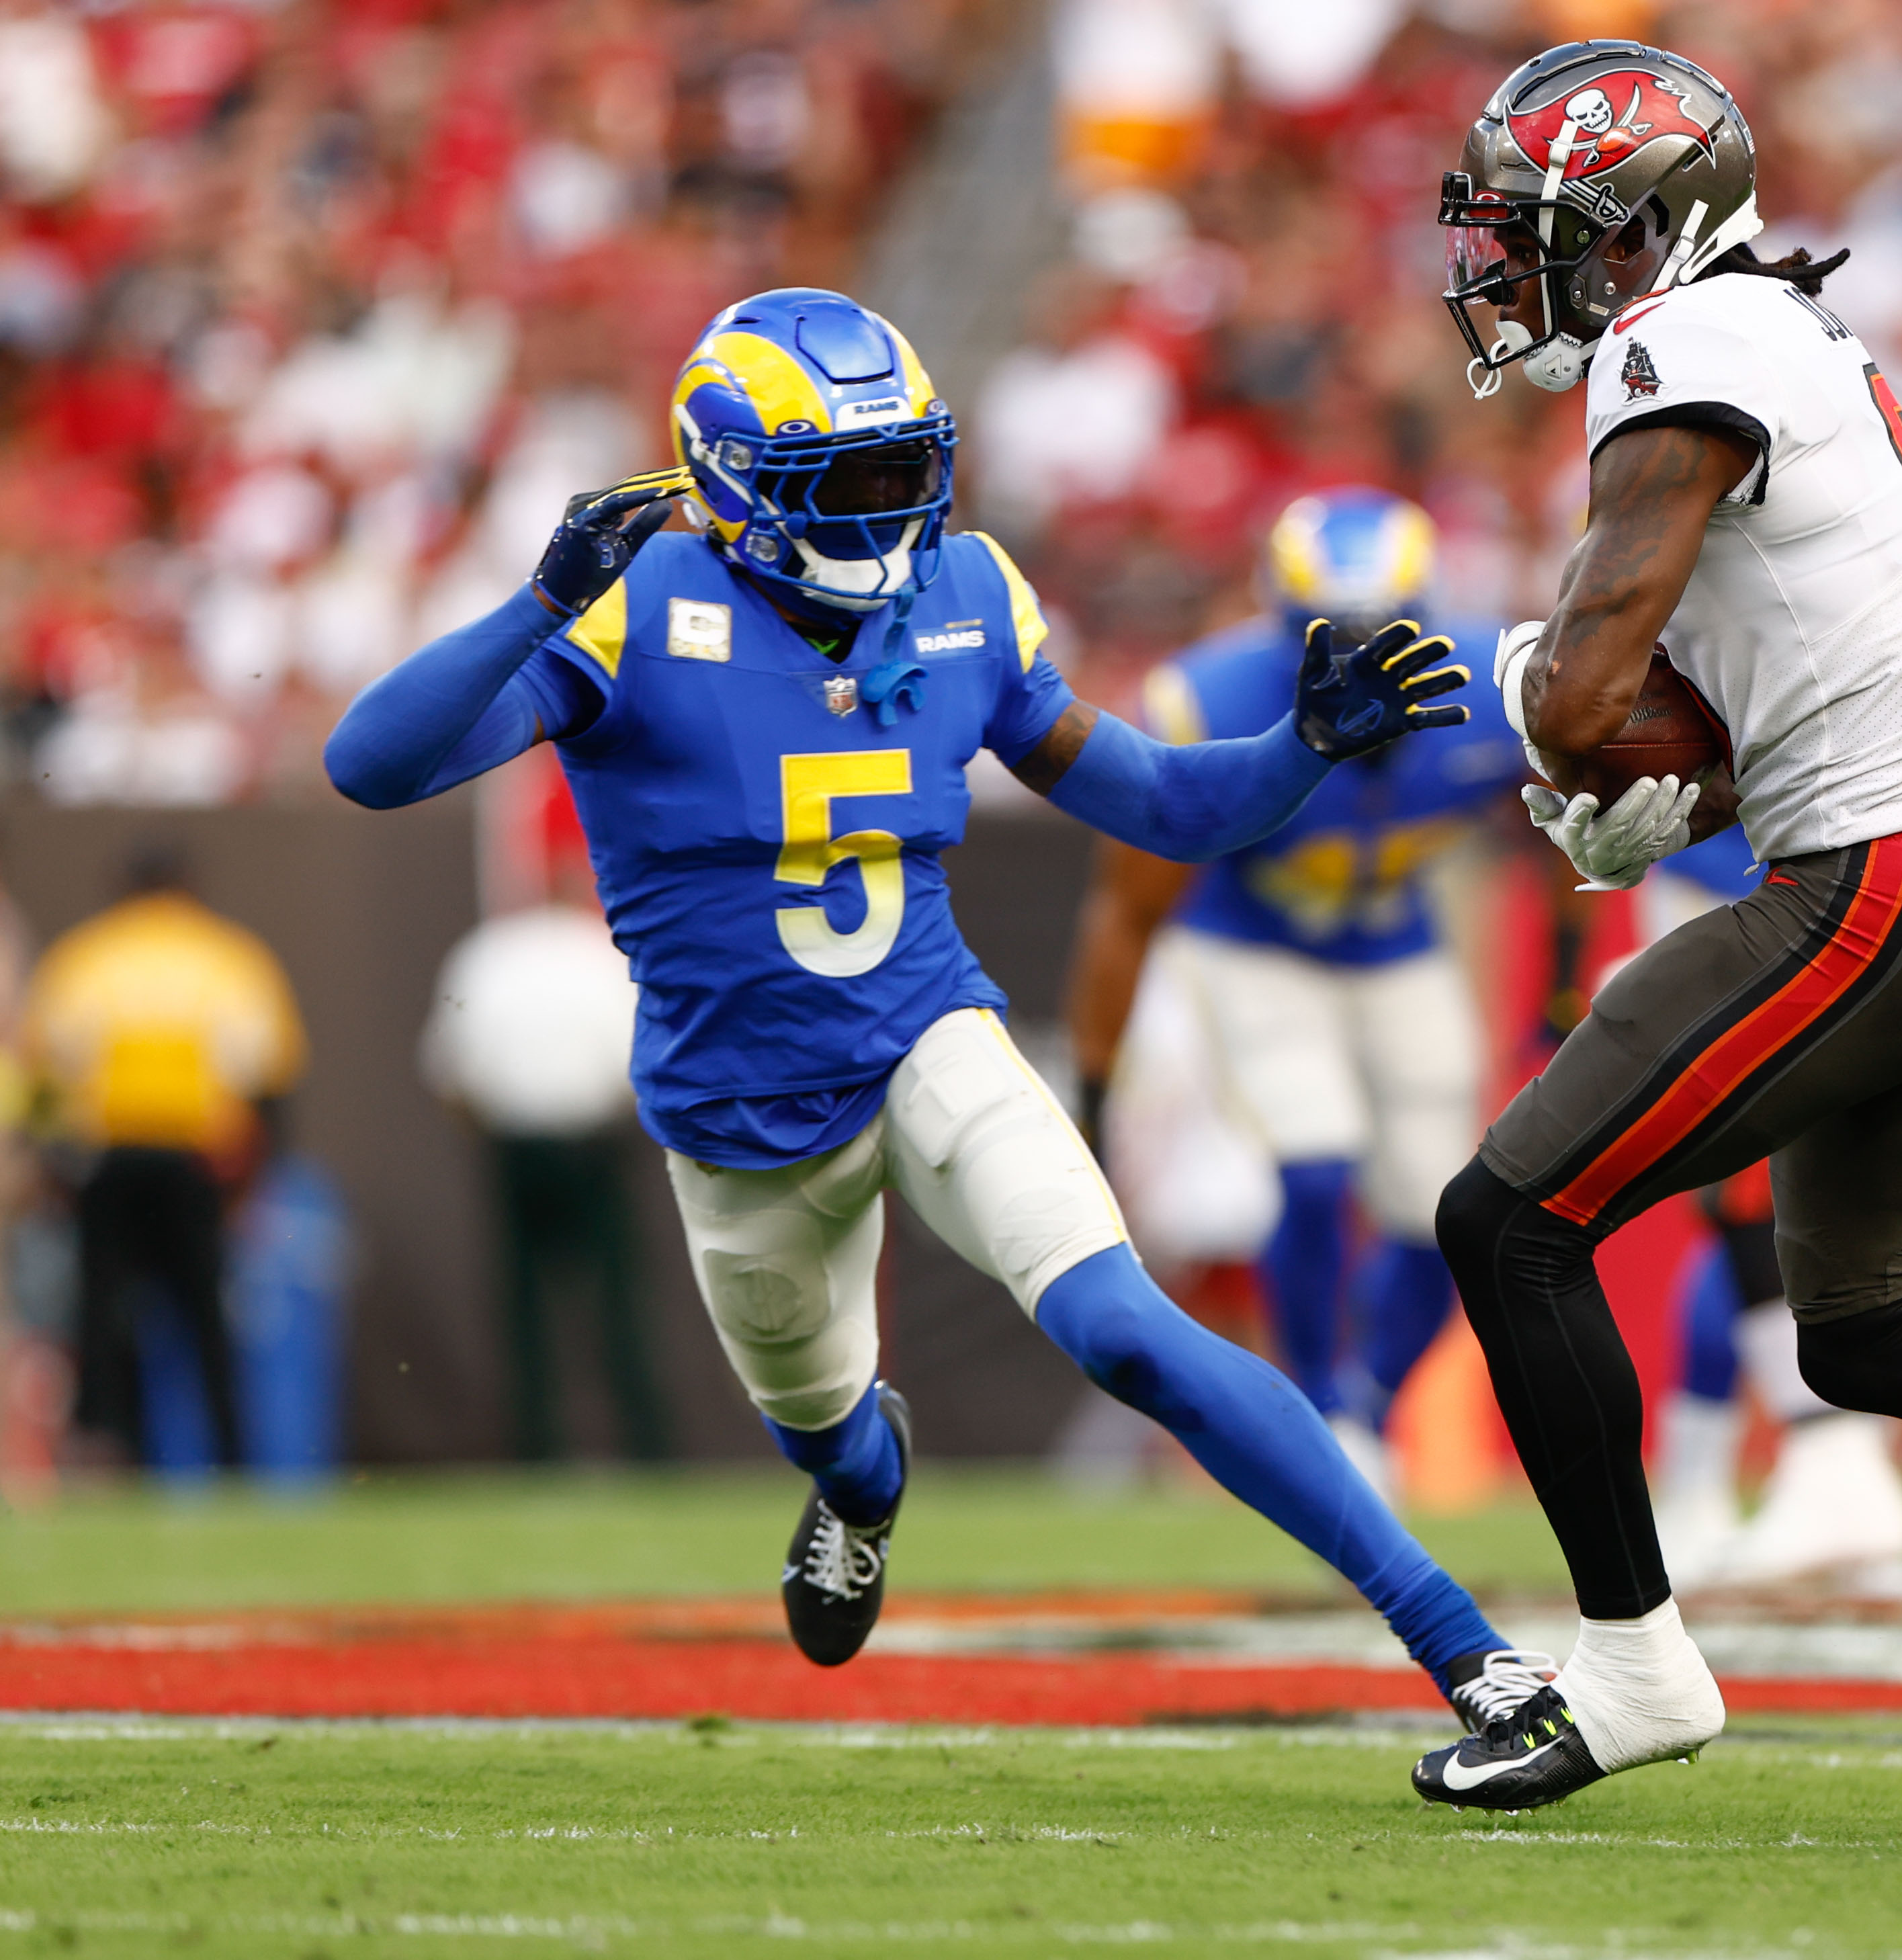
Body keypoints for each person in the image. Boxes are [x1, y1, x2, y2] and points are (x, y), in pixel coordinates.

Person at [325, 288, 1547, 1742]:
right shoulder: (637, 606)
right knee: (828, 1432)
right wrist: (534, 604)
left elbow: (1153, 799)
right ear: (735, 485)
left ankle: (1468, 1651)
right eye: (848, 481)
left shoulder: (965, 592)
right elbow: (369, 765)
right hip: (737, 1112)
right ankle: (860, 1483)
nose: (890, 508)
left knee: (1127, 1332)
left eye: (909, 468)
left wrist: (1300, 748)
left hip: (926, 1037)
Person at [1416, 42, 1902, 1810]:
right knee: (1871, 1334)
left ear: (1645, 229)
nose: (1512, 266)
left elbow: (1576, 699)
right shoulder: (1780, 336)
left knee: (1505, 1216)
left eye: (1542, 230)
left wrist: (1548, 726)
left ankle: (1630, 1662)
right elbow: (1768, 700)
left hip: (1879, 877)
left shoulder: (1684, 343)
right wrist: (1673, 792)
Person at [1065, 488, 1526, 1490]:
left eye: (1386, 633)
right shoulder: (1207, 703)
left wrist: (1568, 975)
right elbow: (1126, 913)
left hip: (1396, 941)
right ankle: (1317, 1410)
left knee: (1451, 1212)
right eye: (1334, 635)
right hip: (1251, 945)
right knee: (1314, 1169)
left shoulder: (1491, 686)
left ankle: (1367, 1409)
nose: (1362, 658)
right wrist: (1096, 1092)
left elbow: (1550, 817)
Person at [1638, 829, 1902, 1599]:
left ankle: (1837, 1479)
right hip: (1813, 884)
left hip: (1870, 885)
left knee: (1804, 1206)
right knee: (1769, 1205)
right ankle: (1819, 1480)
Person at [26, 847, 306, 1469]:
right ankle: (231, 1455)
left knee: (102, 1313)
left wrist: (53, 1172)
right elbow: (268, 1076)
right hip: (197, 1160)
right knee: (206, 1313)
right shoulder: (229, 955)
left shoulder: (86, 955)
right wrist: (255, 1182)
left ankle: (108, 1450)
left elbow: (46, 1071)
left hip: (108, 1158)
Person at [422, 853, 667, 1463]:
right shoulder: (602, 955)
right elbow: (638, 1066)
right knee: (618, 1303)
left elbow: (449, 1072)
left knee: (524, 1308)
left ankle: (537, 1448)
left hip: (515, 1146)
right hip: (593, 1146)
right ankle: (644, 1448)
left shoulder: (491, 953)